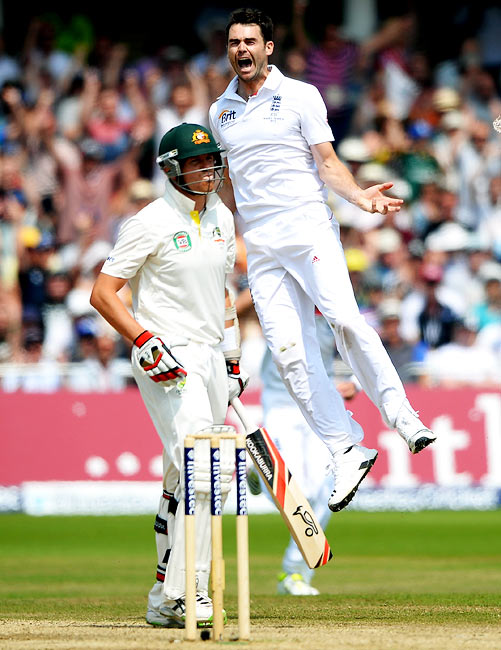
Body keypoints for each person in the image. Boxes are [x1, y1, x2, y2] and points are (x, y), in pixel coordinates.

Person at [209, 8, 436, 513]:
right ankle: (346, 449)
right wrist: (222, 237)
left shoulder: (300, 95)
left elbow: (327, 164)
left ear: (269, 47)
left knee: (343, 319)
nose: (240, 49)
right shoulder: (219, 112)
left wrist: (360, 199)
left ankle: (402, 416)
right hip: (262, 245)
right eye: (232, 42)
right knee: (290, 357)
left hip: (308, 226)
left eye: (249, 41)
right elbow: (227, 187)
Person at [89, 123, 248, 628]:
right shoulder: (149, 221)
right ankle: (192, 590)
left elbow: (224, 297)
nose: (208, 170)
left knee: (183, 476)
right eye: (197, 163)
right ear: (172, 169)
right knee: (208, 470)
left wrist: (234, 358)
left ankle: (164, 594)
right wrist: (142, 339)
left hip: (209, 355)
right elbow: (103, 293)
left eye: (211, 161)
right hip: (167, 355)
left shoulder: (222, 216)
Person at [259, 312, 360, 595]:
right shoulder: (276, 292)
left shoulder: (333, 305)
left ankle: (294, 574)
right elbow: (236, 307)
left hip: (320, 403)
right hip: (281, 403)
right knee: (292, 489)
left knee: (323, 494)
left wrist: (355, 383)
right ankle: (256, 470)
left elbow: (359, 349)